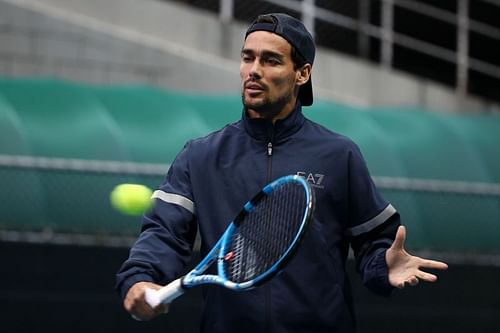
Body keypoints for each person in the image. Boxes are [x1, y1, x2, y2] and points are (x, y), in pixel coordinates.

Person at [115, 13, 448, 332]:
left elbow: (374, 241)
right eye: (248, 58)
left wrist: (382, 265)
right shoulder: (200, 155)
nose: (253, 70)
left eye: (271, 60)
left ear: (302, 74)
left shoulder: (338, 155)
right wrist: (141, 279)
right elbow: (163, 232)